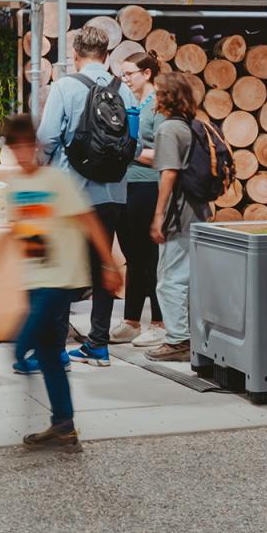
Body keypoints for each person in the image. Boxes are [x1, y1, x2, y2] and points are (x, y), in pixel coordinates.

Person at [0, 113, 122, 451]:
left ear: (36, 146)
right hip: (36, 279)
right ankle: (63, 425)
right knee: (49, 355)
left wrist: (109, 265)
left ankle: (57, 422)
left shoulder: (56, 180)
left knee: (19, 342)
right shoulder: (14, 187)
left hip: (61, 278)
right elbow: (19, 232)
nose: (23, 154)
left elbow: (90, 223)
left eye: (28, 147)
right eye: (17, 148)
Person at [35, 24, 135, 368]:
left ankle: (58, 349)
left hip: (72, 194)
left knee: (66, 270)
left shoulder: (65, 86)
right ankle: (98, 345)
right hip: (113, 193)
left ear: (75, 56)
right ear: (107, 56)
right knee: (102, 265)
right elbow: (132, 144)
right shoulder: (125, 91)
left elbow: (47, 137)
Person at [142, 71, 209, 362]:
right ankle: (192, 336)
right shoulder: (192, 126)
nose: (153, 98)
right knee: (188, 275)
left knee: (169, 278)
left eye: (157, 92)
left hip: (179, 213)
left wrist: (158, 215)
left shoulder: (169, 129)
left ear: (166, 97)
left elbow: (169, 173)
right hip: (196, 210)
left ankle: (178, 339)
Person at [114, 50, 163, 347]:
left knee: (150, 257)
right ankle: (132, 320)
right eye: (123, 74)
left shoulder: (159, 106)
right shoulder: (133, 103)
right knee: (133, 257)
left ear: (147, 74)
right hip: (127, 186)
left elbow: (164, 155)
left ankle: (159, 321)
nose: (125, 79)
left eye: (129, 73)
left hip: (149, 186)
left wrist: (130, 151)